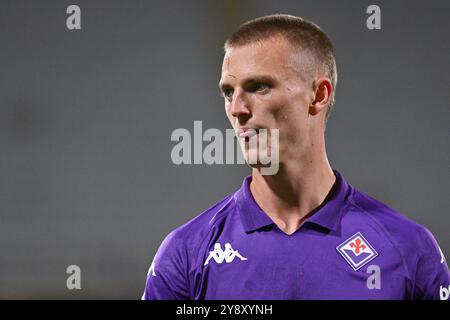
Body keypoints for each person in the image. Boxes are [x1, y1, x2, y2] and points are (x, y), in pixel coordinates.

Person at [142, 14, 449, 300]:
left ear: (318, 96)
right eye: (228, 92)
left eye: (258, 86)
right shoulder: (186, 254)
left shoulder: (409, 250)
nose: (237, 109)